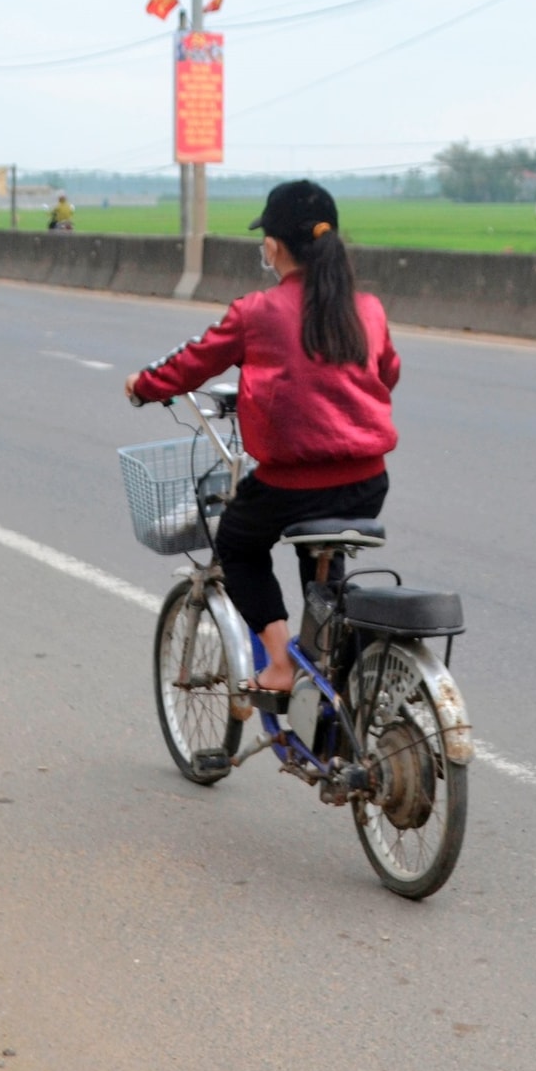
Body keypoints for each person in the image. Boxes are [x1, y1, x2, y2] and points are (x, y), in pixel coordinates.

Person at [126, 180, 400, 695]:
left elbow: (191, 361)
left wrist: (142, 386)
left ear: (273, 247)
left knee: (237, 543)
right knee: (322, 552)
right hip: (367, 481)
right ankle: (334, 672)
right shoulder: (368, 309)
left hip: (290, 485)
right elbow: (387, 374)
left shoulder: (257, 311)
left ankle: (278, 665)